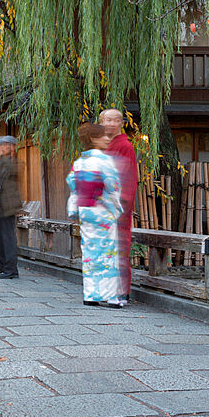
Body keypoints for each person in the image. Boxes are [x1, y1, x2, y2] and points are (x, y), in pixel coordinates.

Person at [67, 123, 125, 307]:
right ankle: (111, 297)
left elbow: (72, 185)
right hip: (102, 210)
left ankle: (91, 295)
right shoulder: (104, 161)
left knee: (90, 253)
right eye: (103, 136)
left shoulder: (79, 162)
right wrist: (117, 207)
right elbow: (113, 186)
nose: (107, 139)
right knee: (107, 253)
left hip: (86, 211)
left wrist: (74, 210)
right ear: (93, 139)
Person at [98, 108, 138, 300]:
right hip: (101, 203)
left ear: (122, 123)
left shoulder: (125, 146)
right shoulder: (103, 144)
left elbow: (128, 179)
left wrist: (121, 203)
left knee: (119, 246)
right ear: (101, 122)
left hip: (116, 204)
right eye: (108, 120)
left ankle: (122, 291)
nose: (112, 124)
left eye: (116, 120)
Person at [0, 136, 22, 279]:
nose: (4, 147)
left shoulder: (11, 162)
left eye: (7, 145)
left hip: (7, 203)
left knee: (7, 237)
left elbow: (0, 182)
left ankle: (10, 269)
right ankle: (2, 266)